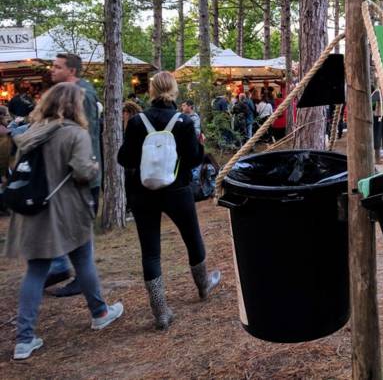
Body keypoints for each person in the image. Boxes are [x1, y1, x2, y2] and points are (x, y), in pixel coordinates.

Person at [4, 83, 124, 360]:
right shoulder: (74, 133)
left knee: (35, 271)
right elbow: (83, 172)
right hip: (66, 212)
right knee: (83, 260)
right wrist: (93, 166)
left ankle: (24, 339)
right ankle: (100, 313)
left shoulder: (31, 132)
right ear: (74, 106)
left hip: (33, 212)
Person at [117, 71, 221, 330]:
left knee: (151, 251)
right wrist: (197, 146)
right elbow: (194, 159)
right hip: (177, 190)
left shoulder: (137, 122)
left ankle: (160, 312)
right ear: (174, 91)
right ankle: (203, 285)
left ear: (151, 91)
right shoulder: (183, 121)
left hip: (143, 192)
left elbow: (124, 159)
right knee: (192, 238)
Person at [47, 53, 103, 297]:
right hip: (68, 174)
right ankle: (60, 266)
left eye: (57, 67)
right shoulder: (68, 93)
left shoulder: (83, 95)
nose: (52, 70)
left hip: (82, 175)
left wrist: (82, 171)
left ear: (71, 71)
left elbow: (85, 135)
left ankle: (75, 275)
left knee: (79, 231)